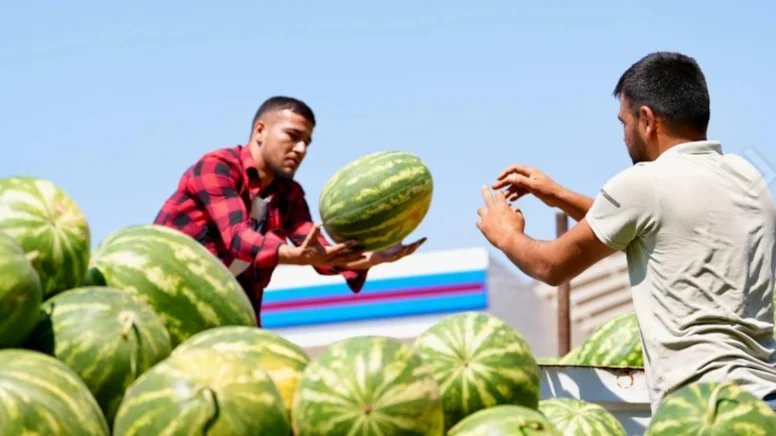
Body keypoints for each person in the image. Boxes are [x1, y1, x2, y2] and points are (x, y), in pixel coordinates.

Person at [476, 51, 776, 412]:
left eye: (624, 122)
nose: (623, 136)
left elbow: (550, 266)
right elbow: (653, 230)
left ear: (647, 120)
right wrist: (558, 195)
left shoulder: (643, 182)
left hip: (703, 411)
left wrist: (506, 234)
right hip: (764, 405)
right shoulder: (747, 178)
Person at [154, 96, 426, 325]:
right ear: (260, 131)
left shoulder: (289, 195)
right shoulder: (217, 168)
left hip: (224, 308)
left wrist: (373, 257)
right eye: (293, 136)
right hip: (163, 294)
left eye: (307, 142)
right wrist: (293, 256)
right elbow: (238, 238)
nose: (301, 149)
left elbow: (320, 252)